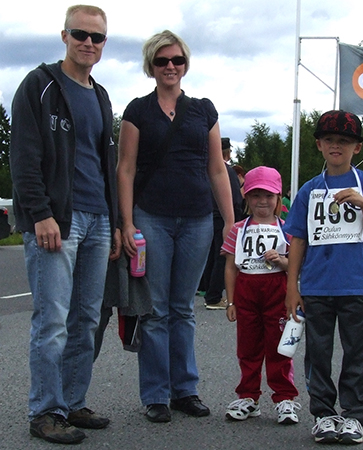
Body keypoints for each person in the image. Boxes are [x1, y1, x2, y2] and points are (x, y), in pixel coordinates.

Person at [9, 5, 119, 444]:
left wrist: (114, 221)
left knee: (87, 319)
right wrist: (40, 214)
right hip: (57, 219)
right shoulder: (39, 85)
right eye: (80, 34)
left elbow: (106, 163)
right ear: (64, 36)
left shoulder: (101, 94)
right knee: (52, 321)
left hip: (98, 219)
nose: (88, 43)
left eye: (97, 37)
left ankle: (72, 402)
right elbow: (23, 156)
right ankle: (45, 411)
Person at [117, 30, 234, 423]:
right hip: (152, 217)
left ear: (185, 65)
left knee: (183, 308)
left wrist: (230, 220)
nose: (170, 66)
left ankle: (185, 389)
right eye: (162, 60)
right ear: (150, 65)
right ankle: (156, 394)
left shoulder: (203, 110)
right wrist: (127, 222)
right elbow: (125, 169)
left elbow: (216, 168)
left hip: (197, 219)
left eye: (177, 60)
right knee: (155, 309)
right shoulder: (137, 110)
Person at [284, 110, 363, 445]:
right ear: (319, 144)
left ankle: (354, 415)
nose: (336, 146)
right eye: (329, 140)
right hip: (316, 286)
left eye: (344, 141)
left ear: (356, 147)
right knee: (317, 353)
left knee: (357, 352)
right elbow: (298, 239)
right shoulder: (309, 190)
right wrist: (291, 287)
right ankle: (323, 414)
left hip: (356, 284)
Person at [222, 166, 300, 425]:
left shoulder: (287, 229)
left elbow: (295, 266)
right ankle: (248, 396)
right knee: (248, 347)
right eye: (256, 195)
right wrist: (231, 301)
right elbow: (231, 266)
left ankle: (285, 397)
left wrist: (282, 260)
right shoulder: (238, 229)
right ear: (246, 197)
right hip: (247, 290)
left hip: (277, 290)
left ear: (278, 198)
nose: (262, 201)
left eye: (268, 195)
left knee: (280, 346)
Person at [198, 137, 244, 309]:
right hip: (224, 217)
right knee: (223, 256)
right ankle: (214, 296)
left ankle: (206, 288)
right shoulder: (226, 172)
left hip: (209, 215)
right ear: (227, 153)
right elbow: (236, 199)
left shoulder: (205, 170)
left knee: (211, 255)